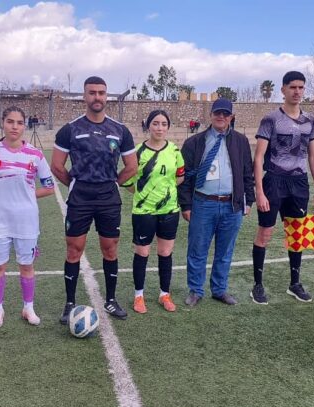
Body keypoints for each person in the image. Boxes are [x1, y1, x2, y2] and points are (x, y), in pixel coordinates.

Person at [51, 76, 138, 323]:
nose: (97, 97)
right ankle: (69, 303)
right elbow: (57, 166)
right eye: (92, 92)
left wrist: (113, 184)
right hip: (80, 197)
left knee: (110, 249)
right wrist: (76, 184)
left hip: (108, 197)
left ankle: (110, 300)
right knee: (74, 249)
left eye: (101, 93)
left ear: (106, 96)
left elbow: (132, 166)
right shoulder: (70, 129)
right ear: (84, 96)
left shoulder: (120, 130)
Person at [0, 106, 55, 328]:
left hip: (26, 221)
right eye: (10, 121)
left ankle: (28, 308)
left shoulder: (35, 155)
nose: (14, 127)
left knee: (26, 265)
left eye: (19, 122)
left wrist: (26, 194)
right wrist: (2, 195)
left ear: (24, 126)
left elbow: (49, 187)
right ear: (3, 123)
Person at [250, 70, 314, 305]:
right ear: (283, 90)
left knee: (297, 235)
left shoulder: (310, 120)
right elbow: (258, 157)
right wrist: (259, 190)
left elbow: (313, 156)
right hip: (274, 181)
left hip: (299, 183)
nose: (297, 91)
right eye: (292, 87)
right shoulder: (271, 119)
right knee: (265, 233)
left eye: (301, 87)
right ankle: (257, 285)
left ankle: (295, 283)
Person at [178, 97, 255, 306]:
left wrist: (249, 201)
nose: (221, 117)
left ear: (231, 117)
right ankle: (196, 290)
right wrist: (186, 205)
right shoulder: (194, 142)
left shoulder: (241, 141)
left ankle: (219, 289)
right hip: (203, 203)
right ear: (210, 115)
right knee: (197, 249)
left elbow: (247, 173)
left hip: (232, 205)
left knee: (225, 251)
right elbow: (184, 178)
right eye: (217, 113)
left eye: (225, 114)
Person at [121, 110, 184, 313]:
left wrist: (165, 192)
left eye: (164, 124)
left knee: (165, 253)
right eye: (155, 123)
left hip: (169, 210)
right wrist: (144, 194)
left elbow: (180, 176)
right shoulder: (138, 152)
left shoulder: (174, 151)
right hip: (143, 211)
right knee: (142, 252)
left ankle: (164, 294)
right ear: (148, 126)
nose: (159, 128)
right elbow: (127, 182)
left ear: (168, 127)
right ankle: (139, 296)